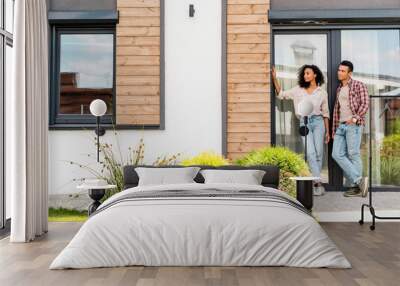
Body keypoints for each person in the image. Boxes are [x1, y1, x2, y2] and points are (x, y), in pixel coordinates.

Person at [272, 64, 330, 196]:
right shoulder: (298, 89)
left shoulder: (322, 92)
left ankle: (316, 182)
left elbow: (326, 113)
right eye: (304, 74)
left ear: (315, 75)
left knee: (319, 153)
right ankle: (317, 183)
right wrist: (275, 79)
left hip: (319, 122)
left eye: (308, 73)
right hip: (304, 122)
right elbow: (281, 95)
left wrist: (328, 131)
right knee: (310, 153)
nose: (305, 76)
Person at [332, 60, 369, 197]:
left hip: (353, 125)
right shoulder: (339, 89)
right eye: (339, 70)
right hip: (340, 126)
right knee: (336, 154)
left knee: (353, 154)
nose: (339, 72)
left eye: (342, 71)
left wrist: (354, 119)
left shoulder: (359, 85)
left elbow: (365, 104)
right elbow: (337, 110)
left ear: (349, 73)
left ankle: (356, 187)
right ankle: (360, 181)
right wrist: (334, 130)